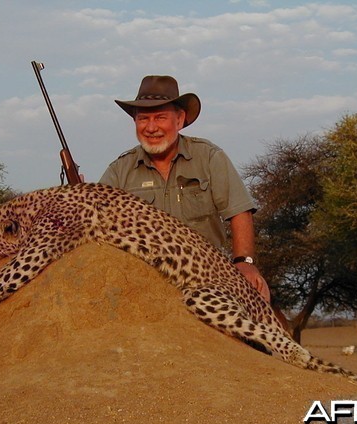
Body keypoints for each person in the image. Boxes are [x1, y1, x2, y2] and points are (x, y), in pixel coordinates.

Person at [99, 75, 270, 302]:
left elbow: (239, 211)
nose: (151, 127)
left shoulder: (209, 157)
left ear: (179, 120)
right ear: (135, 122)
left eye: (160, 117)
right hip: (143, 284)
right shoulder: (119, 170)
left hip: (208, 279)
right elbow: (94, 218)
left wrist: (244, 263)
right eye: (143, 119)